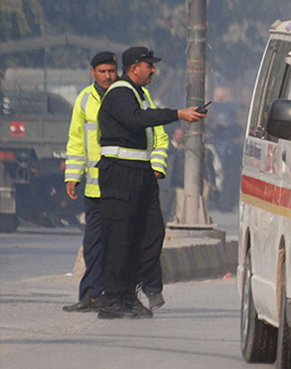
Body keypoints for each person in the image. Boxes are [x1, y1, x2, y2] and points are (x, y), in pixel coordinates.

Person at [96, 46, 205, 319]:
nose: (153, 70)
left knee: (150, 234)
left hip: (140, 174)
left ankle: (129, 292)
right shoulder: (120, 92)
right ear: (134, 68)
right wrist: (177, 114)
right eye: (149, 65)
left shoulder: (139, 93)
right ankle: (113, 299)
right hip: (120, 174)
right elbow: (136, 121)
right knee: (120, 239)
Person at [62, 52, 171, 314]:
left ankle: (125, 294)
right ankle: (95, 295)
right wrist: (73, 175)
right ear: (93, 73)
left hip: (129, 179)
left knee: (130, 239)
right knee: (98, 245)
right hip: (99, 183)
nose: (108, 76)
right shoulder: (86, 99)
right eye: (102, 71)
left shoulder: (138, 95)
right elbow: (77, 140)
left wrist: (155, 167)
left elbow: (156, 135)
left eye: (111, 71)